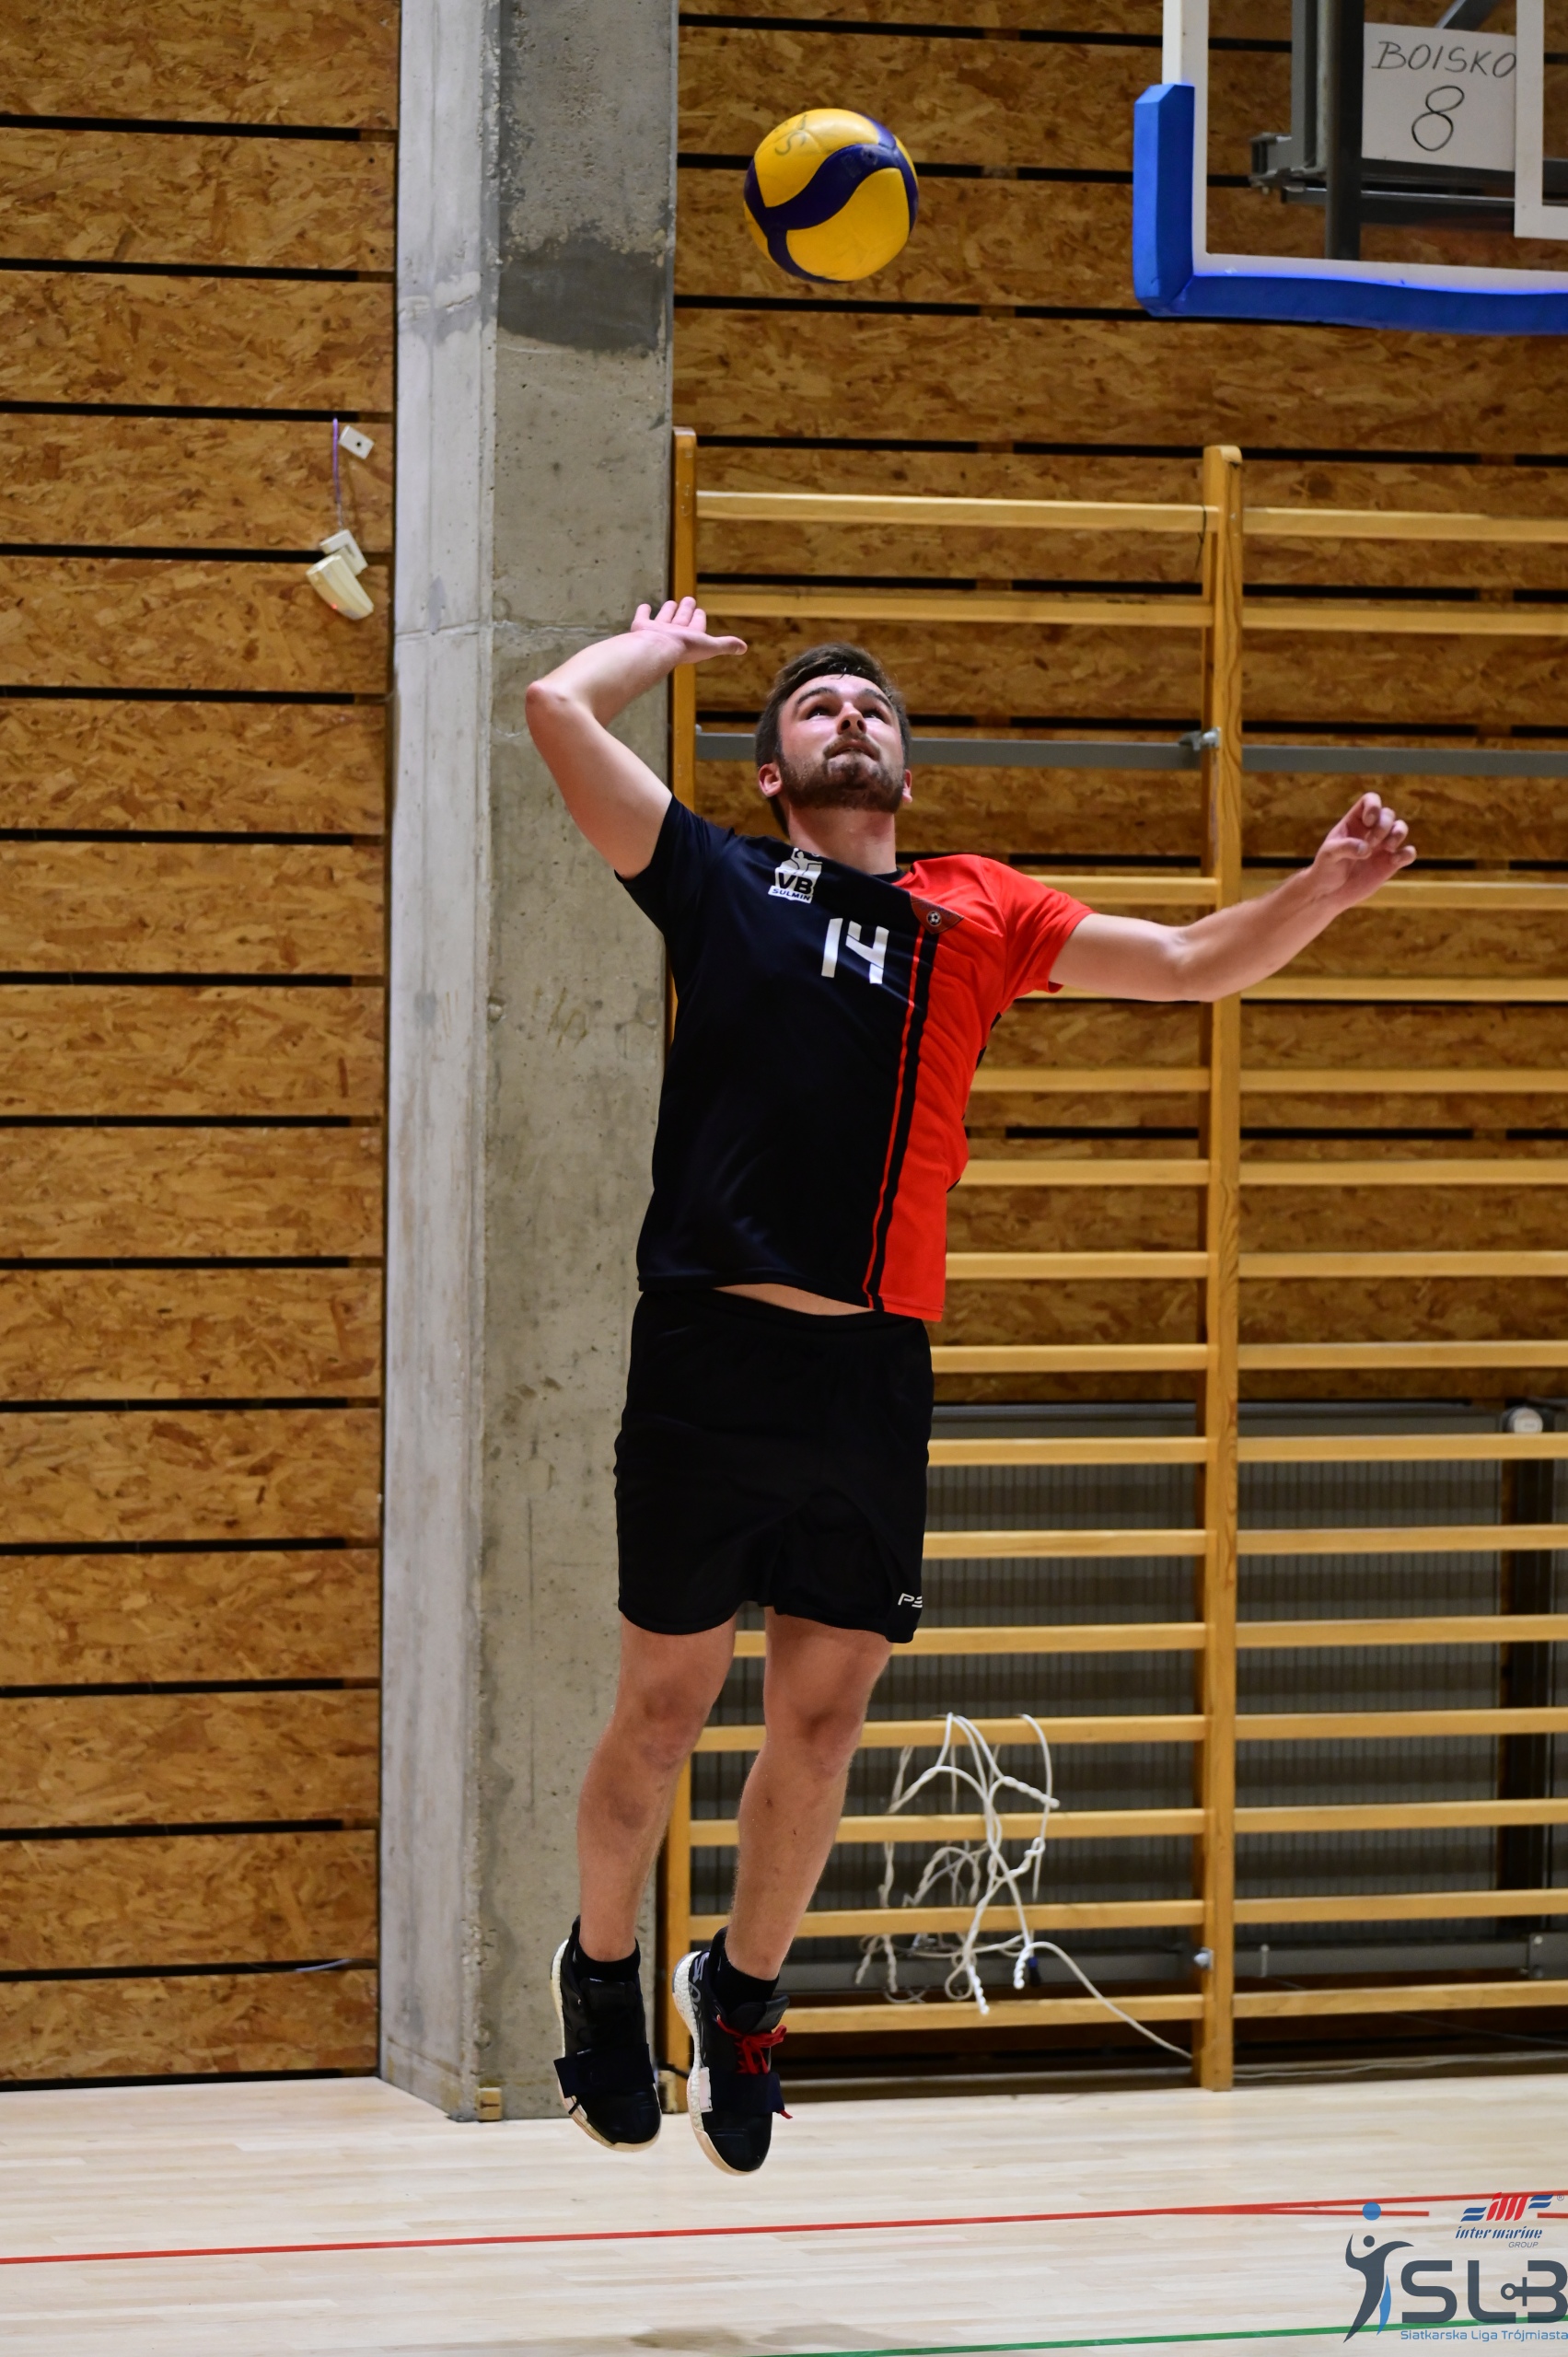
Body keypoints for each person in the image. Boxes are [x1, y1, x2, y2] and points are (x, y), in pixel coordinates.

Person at [525, 598, 1414, 2175]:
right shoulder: (718, 878)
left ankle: (741, 1995)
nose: (850, 718)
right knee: (663, 1711)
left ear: (906, 772)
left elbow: (1192, 963)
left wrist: (1324, 888)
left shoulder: (977, 907)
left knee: (821, 1724)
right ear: (773, 771)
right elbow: (555, 711)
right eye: (818, 709)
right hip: (711, 1354)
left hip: (871, 1371)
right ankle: (600, 1977)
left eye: (871, 707)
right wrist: (649, 652)